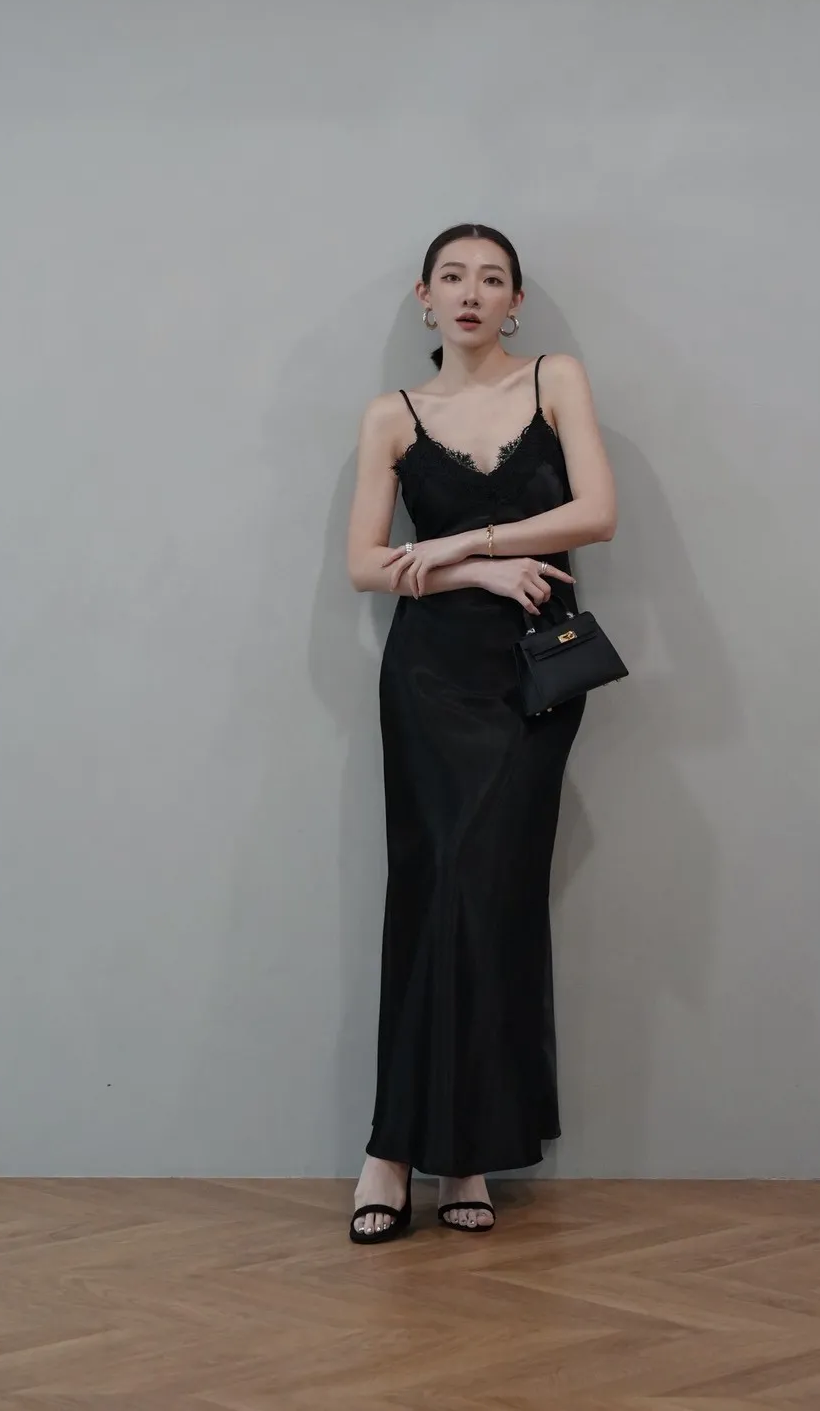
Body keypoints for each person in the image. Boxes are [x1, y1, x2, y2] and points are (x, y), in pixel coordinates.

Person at [345, 223, 618, 1243]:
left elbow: (596, 513)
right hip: (428, 676)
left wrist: (472, 542)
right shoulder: (392, 414)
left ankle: (465, 1150)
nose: (471, 292)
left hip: (530, 678)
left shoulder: (555, 380)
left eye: (491, 278)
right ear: (424, 297)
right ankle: (390, 1151)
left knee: (491, 896)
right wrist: (479, 572)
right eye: (452, 277)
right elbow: (366, 565)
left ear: (515, 301)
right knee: (430, 890)